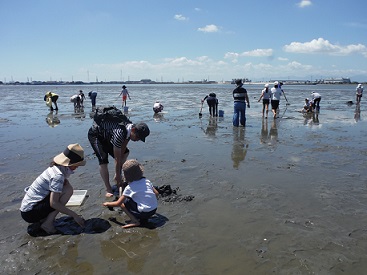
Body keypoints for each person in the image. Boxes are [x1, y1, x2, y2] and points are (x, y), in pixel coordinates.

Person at [20, 144, 86, 234]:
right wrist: (75, 216)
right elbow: (54, 203)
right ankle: (47, 224)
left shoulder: (55, 168)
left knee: (67, 187)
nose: (77, 167)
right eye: (76, 165)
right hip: (30, 213)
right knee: (67, 191)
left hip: (27, 209)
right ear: (69, 164)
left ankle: (45, 219)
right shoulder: (58, 175)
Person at [88, 112, 150, 197]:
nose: (138, 140)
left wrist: (119, 173)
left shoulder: (129, 128)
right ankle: (108, 188)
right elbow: (117, 159)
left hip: (109, 136)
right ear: (133, 130)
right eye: (138, 137)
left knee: (126, 153)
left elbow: (122, 150)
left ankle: (117, 177)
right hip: (97, 135)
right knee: (103, 160)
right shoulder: (120, 133)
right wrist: (118, 175)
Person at [103, 159, 159, 228]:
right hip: (153, 210)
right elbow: (156, 193)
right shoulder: (147, 181)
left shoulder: (129, 188)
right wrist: (149, 201)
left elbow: (118, 203)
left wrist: (107, 203)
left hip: (143, 213)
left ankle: (135, 221)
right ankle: (143, 214)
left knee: (123, 204)